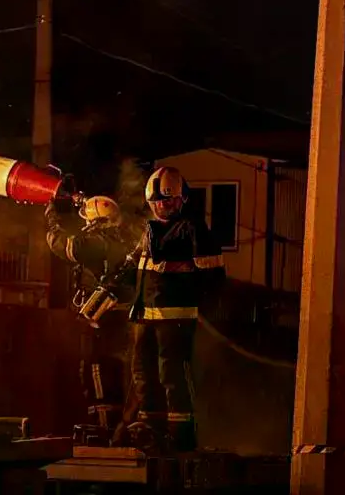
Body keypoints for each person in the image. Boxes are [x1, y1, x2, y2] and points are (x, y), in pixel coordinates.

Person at [110, 166, 227, 454]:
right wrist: (109, 288)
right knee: (143, 374)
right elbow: (132, 269)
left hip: (175, 318)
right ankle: (150, 431)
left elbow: (213, 277)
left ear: (181, 199)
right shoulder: (148, 231)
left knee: (171, 376)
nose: (164, 205)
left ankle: (180, 436)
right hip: (144, 317)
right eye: (159, 201)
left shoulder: (193, 229)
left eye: (169, 200)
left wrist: (192, 295)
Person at [45, 195, 133, 441]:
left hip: (100, 319)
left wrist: (52, 217)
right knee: (111, 374)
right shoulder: (119, 241)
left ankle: (105, 432)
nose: (84, 225)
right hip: (114, 318)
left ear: (96, 222)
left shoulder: (96, 242)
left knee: (97, 373)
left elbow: (62, 245)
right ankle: (115, 429)